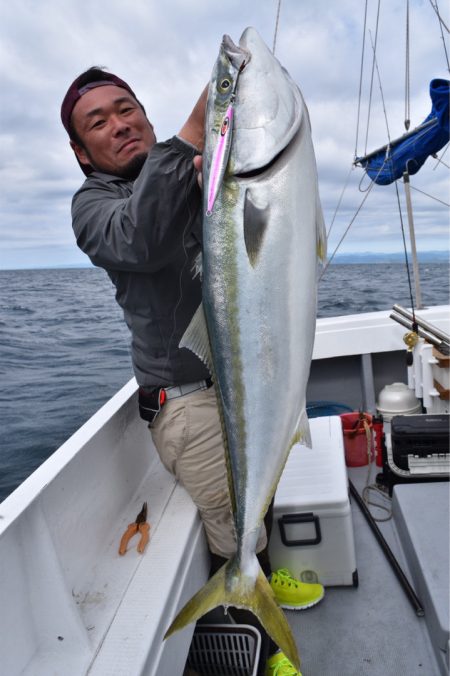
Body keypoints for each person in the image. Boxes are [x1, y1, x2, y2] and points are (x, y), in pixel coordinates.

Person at [61, 66, 324, 676]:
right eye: (97, 122)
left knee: (262, 494)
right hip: (184, 401)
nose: (120, 124)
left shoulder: (194, 175)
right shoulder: (92, 207)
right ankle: (252, 630)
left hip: (236, 379)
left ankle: (257, 579)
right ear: (80, 152)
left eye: (127, 108)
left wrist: (214, 174)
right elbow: (141, 239)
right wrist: (188, 139)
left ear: (144, 115)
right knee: (233, 526)